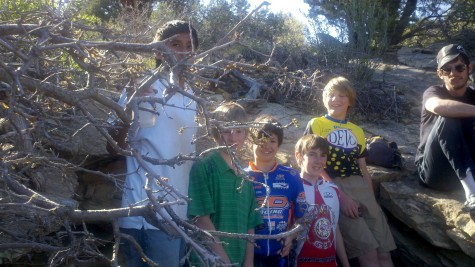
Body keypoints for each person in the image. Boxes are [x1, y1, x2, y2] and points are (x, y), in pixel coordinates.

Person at [107, 20, 199, 267]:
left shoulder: (192, 96)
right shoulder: (143, 86)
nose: (182, 51)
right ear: (158, 51)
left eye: (189, 46)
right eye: (175, 44)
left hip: (178, 214)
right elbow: (112, 146)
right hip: (143, 212)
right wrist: (130, 108)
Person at [303, 76, 396, 267]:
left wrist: (372, 200)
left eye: (341, 95)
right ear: (323, 98)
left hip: (361, 187)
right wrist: (340, 196)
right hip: (335, 185)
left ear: (350, 101)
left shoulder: (357, 131)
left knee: (384, 253)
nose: (335, 99)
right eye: (330, 95)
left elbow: (362, 167)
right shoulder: (317, 124)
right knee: (368, 254)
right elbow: (313, 162)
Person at [187, 102, 263, 267]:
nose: (233, 138)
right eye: (226, 130)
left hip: (239, 259)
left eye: (238, 131)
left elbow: (251, 225)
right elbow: (202, 220)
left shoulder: (245, 177)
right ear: (215, 132)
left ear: (246, 134)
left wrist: (248, 262)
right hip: (208, 260)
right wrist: (224, 262)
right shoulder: (204, 166)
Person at [415, 44, 475, 211]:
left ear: (468, 68)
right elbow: (438, 107)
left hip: (466, 167)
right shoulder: (433, 92)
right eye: (446, 69)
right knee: (448, 118)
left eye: (459, 67)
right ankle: (472, 194)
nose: (453, 73)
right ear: (439, 74)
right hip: (434, 171)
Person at [245, 115, 307, 267]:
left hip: (281, 255)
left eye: (272, 141)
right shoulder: (241, 177)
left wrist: (292, 236)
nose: (267, 145)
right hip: (248, 256)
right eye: (262, 140)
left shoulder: (291, 176)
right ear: (250, 142)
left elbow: (304, 217)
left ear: (278, 145)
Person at [294, 134, 350, 267]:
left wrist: (346, 264)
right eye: (312, 154)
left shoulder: (333, 189)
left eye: (323, 155)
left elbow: (334, 228)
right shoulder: (292, 187)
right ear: (299, 156)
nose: (319, 160)